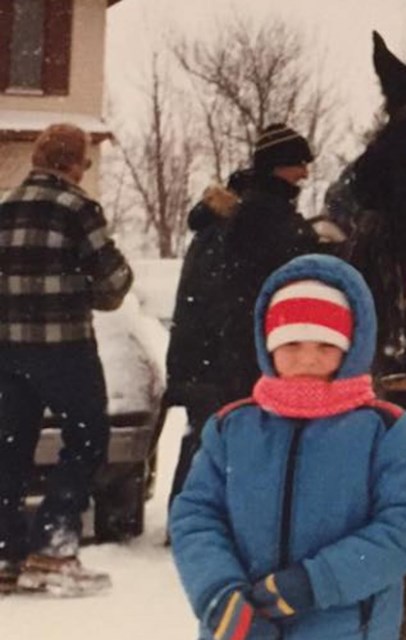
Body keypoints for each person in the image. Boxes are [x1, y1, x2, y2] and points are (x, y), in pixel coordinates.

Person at [170, 253, 406, 640]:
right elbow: (195, 517)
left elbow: (404, 527)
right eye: (291, 343)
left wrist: (316, 582)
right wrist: (221, 597)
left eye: (326, 346)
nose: (308, 359)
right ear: (267, 344)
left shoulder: (385, 430)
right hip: (243, 629)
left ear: (352, 347)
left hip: (346, 629)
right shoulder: (231, 428)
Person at [0, 123, 133, 596]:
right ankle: (53, 547)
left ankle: (5, 552)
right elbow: (116, 281)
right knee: (86, 438)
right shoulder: (78, 209)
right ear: (73, 162)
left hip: (8, 352)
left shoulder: (5, 207)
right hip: (66, 349)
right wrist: (81, 290)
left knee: (10, 447)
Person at [164, 168, 253, 513]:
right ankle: (189, 513)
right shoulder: (224, 237)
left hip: (192, 356)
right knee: (209, 435)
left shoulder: (208, 232)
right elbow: (218, 303)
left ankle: (183, 511)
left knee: (201, 434)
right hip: (210, 359)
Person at [219, 123, 323, 404]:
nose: (305, 173)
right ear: (279, 166)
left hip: (260, 347)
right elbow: (292, 270)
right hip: (262, 351)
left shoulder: (264, 209)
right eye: (299, 164)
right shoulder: (265, 214)